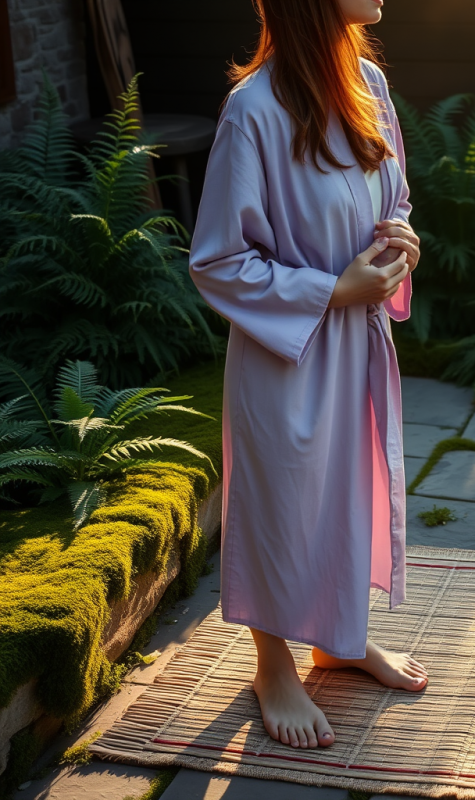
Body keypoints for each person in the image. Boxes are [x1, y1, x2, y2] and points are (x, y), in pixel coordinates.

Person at [188, 0, 425, 752]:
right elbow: (218, 260)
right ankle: (272, 666)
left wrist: (400, 241)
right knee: (283, 499)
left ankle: (337, 640)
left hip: (357, 344)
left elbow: (395, 194)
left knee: (347, 490)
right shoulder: (252, 111)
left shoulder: (368, 84)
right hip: (286, 352)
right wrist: (331, 290)